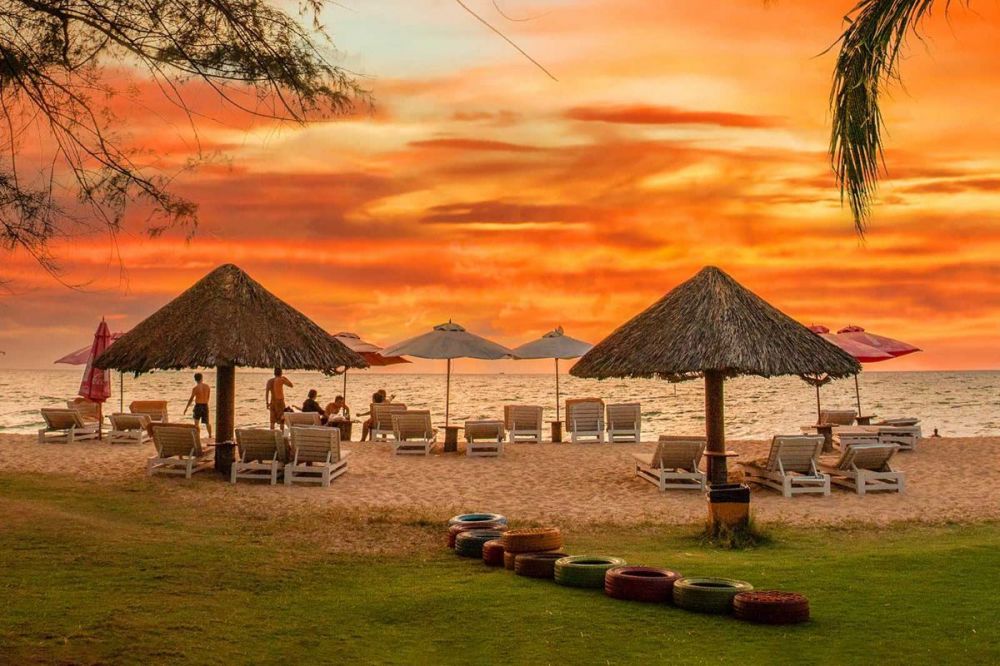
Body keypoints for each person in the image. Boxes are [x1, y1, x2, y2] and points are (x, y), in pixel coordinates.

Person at [183, 372, 212, 439]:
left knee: (196, 423)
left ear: (195, 379)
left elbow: (191, 399)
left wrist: (186, 408)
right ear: (202, 378)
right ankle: (210, 436)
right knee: (207, 422)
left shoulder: (195, 388)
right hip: (205, 405)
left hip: (198, 406)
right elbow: (208, 397)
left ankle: (198, 437)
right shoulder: (207, 387)